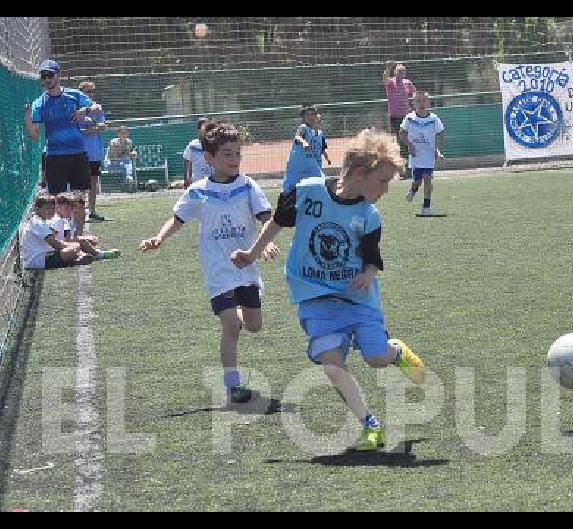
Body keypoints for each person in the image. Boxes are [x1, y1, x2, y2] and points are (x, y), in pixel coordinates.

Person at [230, 128, 425, 451]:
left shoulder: (369, 216)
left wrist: (368, 273)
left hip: (356, 298)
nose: (386, 190)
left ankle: (396, 352)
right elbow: (278, 221)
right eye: (383, 181)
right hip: (314, 295)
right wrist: (251, 253)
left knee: (376, 358)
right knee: (331, 362)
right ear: (360, 174)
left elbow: (373, 257)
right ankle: (369, 424)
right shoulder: (307, 192)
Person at [139, 120, 280, 405]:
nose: (235, 159)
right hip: (218, 271)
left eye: (238, 153)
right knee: (229, 327)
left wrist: (267, 244)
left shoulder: (248, 185)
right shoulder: (198, 191)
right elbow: (177, 219)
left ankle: (240, 318)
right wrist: (159, 237)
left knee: (253, 325)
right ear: (209, 158)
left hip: (247, 267)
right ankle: (233, 386)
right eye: (227, 154)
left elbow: (267, 217)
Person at [24, 59, 103, 238]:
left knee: (79, 197)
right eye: (43, 76)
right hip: (55, 156)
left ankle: (79, 237)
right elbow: (35, 135)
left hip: (77, 153)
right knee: (55, 200)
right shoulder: (39, 103)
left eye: (49, 75)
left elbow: (97, 108)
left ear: (58, 75)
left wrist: (86, 111)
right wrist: (28, 118)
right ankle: (61, 238)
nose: (46, 79)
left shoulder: (74, 95)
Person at [400, 91, 445, 216]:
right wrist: (410, 146)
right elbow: (402, 134)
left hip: (429, 155)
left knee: (427, 178)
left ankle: (426, 207)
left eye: (424, 100)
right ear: (413, 103)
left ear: (428, 102)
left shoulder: (434, 119)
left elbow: (441, 135)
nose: (421, 103)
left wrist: (438, 150)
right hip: (416, 155)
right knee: (417, 181)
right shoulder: (409, 118)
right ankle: (413, 189)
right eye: (418, 101)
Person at [19, 193, 91, 270]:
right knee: (72, 250)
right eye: (47, 208)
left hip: (42, 255)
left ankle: (76, 259)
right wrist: (72, 246)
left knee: (74, 247)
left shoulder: (42, 221)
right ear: (37, 209)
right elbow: (54, 243)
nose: (51, 211)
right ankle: (76, 260)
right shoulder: (37, 222)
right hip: (36, 260)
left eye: (53, 208)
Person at [50, 192, 120, 260]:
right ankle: (98, 254)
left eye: (71, 208)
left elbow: (72, 236)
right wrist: (84, 239)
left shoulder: (66, 219)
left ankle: (89, 253)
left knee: (86, 242)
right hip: (54, 250)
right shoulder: (58, 220)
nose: (70, 210)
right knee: (80, 244)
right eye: (66, 208)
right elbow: (67, 239)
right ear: (57, 208)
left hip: (61, 246)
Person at [78, 80, 108, 221]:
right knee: (80, 184)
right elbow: (79, 129)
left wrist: (92, 127)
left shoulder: (97, 107)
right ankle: (79, 211)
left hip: (95, 152)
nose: (89, 94)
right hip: (80, 151)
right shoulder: (77, 108)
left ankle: (92, 210)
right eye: (87, 91)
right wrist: (91, 128)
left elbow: (103, 126)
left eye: (91, 91)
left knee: (93, 182)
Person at [382, 61, 416, 178]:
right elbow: (384, 80)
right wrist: (388, 67)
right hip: (395, 117)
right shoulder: (391, 82)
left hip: (407, 117)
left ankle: (412, 168)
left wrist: (413, 107)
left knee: (409, 141)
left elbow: (415, 95)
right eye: (399, 72)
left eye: (403, 72)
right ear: (395, 72)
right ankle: (403, 169)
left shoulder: (408, 83)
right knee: (400, 142)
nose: (401, 74)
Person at [282, 104, 325, 193]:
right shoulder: (303, 128)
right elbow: (297, 137)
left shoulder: (317, 133)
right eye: (307, 114)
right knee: (290, 186)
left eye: (313, 114)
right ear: (303, 117)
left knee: (321, 181)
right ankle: (285, 201)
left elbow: (321, 146)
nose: (311, 117)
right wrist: (304, 142)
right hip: (297, 164)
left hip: (310, 163)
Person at [183, 116, 214, 189]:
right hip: (197, 181)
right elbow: (186, 160)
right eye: (204, 128)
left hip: (211, 181)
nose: (206, 130)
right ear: (199, 129)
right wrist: (186, 178)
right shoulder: (192, 145)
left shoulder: (213, 144)